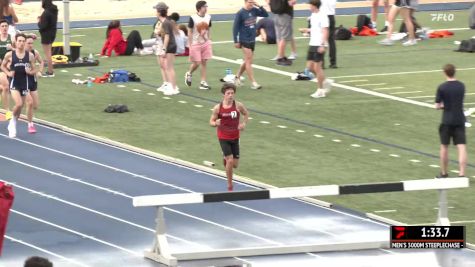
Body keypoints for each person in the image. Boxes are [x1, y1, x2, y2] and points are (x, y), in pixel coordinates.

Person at [209, 83, 249, 191]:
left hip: (235, 137)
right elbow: (211, 122)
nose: (231, 95)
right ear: (224, 95)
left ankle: (225, 158)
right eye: (228, 93)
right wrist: (215, 123)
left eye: (232, 93)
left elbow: (246, 114)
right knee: (230, 161)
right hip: (223, 137)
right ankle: (230, 184)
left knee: (234, 165)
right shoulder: (218, 108)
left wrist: (243, 123)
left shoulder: (238, 105)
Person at [1, 33, 36, 138]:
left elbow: (34, 69)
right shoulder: (10, 55)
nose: (21, 43)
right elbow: (2, 66)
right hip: (14, 82)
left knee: (20, 110)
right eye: (19, 41)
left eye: (23, 41)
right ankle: (12, 122)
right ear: (15, 42)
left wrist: (30, 72)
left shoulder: (29, 55)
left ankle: (14, 123)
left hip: (24, 83)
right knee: (19, 104)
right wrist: (8, 73)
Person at [435, 64, 467, 178]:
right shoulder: (461, 86)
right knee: (461, 146)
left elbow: (437, 106)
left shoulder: (442, 87)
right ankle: (462, 173)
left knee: (444, 147)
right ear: (454, 72)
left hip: (447, 120)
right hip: (459, 119)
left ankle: (444, 173)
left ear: (445, 73)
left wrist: (443, 106)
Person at [233, 0, 268, 90]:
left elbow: (265, 14)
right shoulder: (240, 13)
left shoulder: (254, 10)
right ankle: (253, 82)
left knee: (247, 60)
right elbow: (235, 28)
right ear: (245, 2)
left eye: (252, 2)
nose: (251, 4)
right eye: (249, 2)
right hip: (244, 39)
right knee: (249, 60)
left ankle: (237, 77)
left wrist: (259, 6)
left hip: (252, 39)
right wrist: (235, 41)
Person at [301, 0, 330, 98]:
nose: (309, 7)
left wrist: (323, 45)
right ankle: (325, 81)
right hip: (312, 44)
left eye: (310, 5)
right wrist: (307, 30)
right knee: (310, 67)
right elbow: (315, 29)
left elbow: (325, 31)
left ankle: (320, 90)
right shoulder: (313, 15)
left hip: (319, 44)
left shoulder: (323, 16)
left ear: (314, 6)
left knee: (317, 67)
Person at [184, 0, 213, 90]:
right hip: (195, 43)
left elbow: (209, 29)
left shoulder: (208, 17)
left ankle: (203, 82)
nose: (206, 8)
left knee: (204, 62)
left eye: (206, 6)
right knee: (197, 63)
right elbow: (189, 31)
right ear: (199, 8)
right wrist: (190, 44)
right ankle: (189, 73)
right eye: (205, 6)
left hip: (205, 43)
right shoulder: (193, 18)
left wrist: (209, 40)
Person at [154, 2, 179, 96]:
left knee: (169, 68)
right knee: (168, 67)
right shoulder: (166, 21)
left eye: (156, 11)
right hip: (171, 46)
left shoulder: (165, 23)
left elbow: (167, 36)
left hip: (170, 46)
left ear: (159, 12)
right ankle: (172, 86)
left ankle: (173, 88)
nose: (155, 13)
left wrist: (164, 49)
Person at [268, 0, 296, 65]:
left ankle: (281, 55)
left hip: (276, 15)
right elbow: (291, 2)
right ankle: (281, 58)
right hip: (285, 15)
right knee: (284, 38)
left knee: (279, 37)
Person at [25, 34, 43, 134]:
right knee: (30, 102)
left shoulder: (34, 53)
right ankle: (30, 124)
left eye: (32, 43)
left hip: (32, 80)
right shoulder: (19, 53)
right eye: (28, 43)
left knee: (35, 105)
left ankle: (28, 112)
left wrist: (39, 71)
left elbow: (41, 62)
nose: (30, 45)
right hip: (23, 81)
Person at [37, 0, 57, 77]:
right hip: (52, 33)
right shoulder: (54, 9)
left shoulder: (46, 13)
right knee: (49, 53)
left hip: (46, 34)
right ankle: (50, 69)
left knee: (48, 53)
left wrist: (39, 21)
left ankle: (50, 71)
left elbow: (43, 26)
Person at [0, 19, 12, 120]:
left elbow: (18, 50)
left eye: (6, 26)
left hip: (9, 66)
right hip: (1, 67)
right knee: (6, 87)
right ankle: (7, 111)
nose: (4, 28)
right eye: (2, 26)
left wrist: (12, 48)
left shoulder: (11, 38)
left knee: (3, 88)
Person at [321, 0, 337, 68]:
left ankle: (321, 63)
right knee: (331, 40)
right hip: (331, 16)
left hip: (323, 15)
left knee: (322, 39)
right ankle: (333, 63)